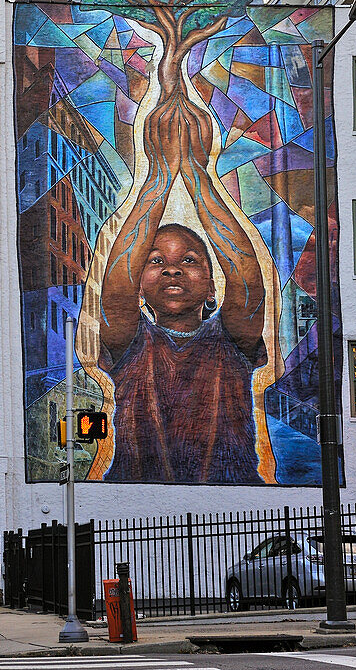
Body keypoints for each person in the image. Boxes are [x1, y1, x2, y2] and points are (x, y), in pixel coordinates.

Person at [98, 178, 268, 483]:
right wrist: (157, 180)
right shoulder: (131, 343)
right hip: (137, 502)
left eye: (189, 260)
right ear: (139, 291)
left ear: (212, 290)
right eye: (156, 260)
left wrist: (198, 175)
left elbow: (247, 281)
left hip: (233, 497)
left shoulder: (230, 341)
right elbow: (116, 289)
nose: (172, 269)